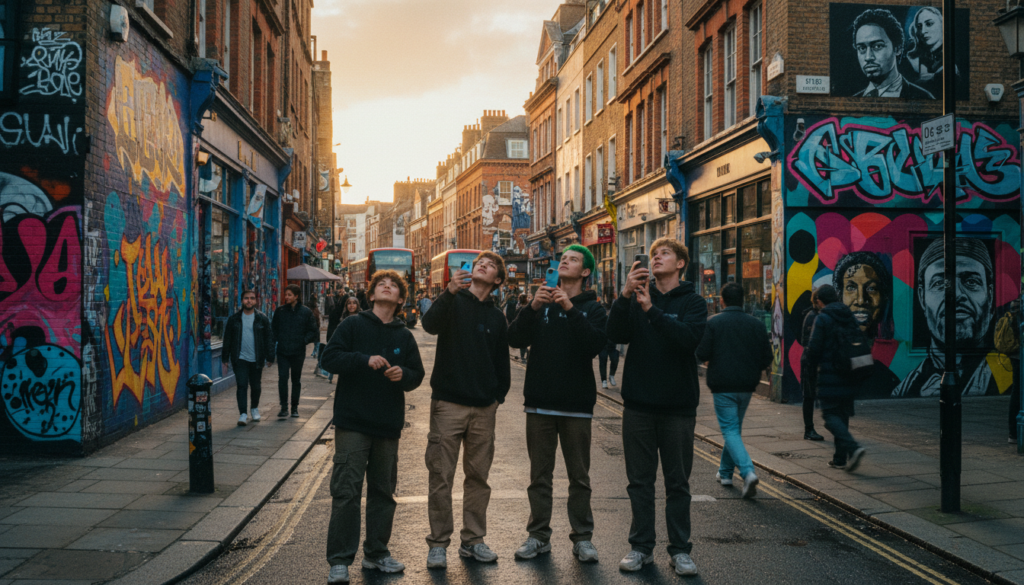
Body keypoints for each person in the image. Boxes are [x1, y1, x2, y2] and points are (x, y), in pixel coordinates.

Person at [606, 238, 706, 576]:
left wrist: (652, 310)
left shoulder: (694, 302)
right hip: (638, 406)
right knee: (640, 482)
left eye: (663, 253)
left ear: (680, 263)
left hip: (678, 407)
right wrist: (624, 296)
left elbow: (688, 339)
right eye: (652, 255)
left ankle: (680, 551)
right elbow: (614, 333)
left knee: (677, 483)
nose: (656, 257)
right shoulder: (635, 300)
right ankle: (640, 548)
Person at [321, 270, 426, 584]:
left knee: (383, 492)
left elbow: (416, 374)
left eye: (394, 285)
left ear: (400, 299)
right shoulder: (352, 324)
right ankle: (339, 560)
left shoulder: (404, 335)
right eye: (382, 283)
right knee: (346, 492)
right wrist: (362, 360)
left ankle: (377, 554)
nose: (387, 286)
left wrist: (402, 376)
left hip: (387, 425)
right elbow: (329, 358)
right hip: (352, 420)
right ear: (371, 294)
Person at [507, 245, 607, 563]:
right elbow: (514, 339)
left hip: (577, 404)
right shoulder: (542, 303)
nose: (565, 260)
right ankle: (538, 536)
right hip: (539, 403)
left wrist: (570, 309)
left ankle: (582, 538)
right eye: (563, 257)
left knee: (579, 477)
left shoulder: (594, 309)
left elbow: (593, 344)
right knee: (540, 476)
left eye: (574, 259)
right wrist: (533, 307)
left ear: (586, 272)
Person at [421, 251, 511, 569]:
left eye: (489, 265)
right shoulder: (453, 301)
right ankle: (438, 544)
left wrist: (496, 398)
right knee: (441, 476)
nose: (481, 266)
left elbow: (502, 363)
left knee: (478, 478)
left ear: (498, 280)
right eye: (478, 264)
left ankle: (473, 541)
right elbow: (429, 325)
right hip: (448, 404)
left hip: (483, 409)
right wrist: (448, 291)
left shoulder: (497, 316)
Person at [893, 238, 999, 397]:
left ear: (990, 297)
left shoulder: (1008, 379)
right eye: (939, 283)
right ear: (922, 297)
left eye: (971, 281)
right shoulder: (905, 389)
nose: (956, 295)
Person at [695, 283, 772, 499]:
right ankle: (726, 473)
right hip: (747, 385)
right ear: (744, 300)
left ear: (722, 300)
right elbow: (767, 357)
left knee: (730, 430)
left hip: (723, 385)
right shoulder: (755, 324)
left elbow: (701, 353)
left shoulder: (714, 323)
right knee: (733, 430)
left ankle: (748, 472)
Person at [802, 284, 867, 472]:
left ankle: (853, 449)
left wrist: (811, 372)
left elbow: (813, 350)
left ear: (820, 301)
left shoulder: (823, 318)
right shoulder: (848, 315)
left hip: (830, 376)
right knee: (842, 416)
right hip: (850, 375)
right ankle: (839, 459)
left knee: (830, 416)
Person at [850, 8, 934, 99]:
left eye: (878, 46)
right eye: (862, 48)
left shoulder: (924, 98)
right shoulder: (851, 102)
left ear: (897, 49)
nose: (868, 57)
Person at [222, 290, 274, 426]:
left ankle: (254, 408)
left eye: (251, 298)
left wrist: (270, 357)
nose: (249, 301)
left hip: (257, 359)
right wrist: (224, 359)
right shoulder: (234, 319)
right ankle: (243, 414)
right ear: (242, 300)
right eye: (246, 298)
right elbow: (227, 340)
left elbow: (269, 338)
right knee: (242, 385)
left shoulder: (262, 318)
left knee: (256, 386)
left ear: (256, 301)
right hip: (240, 359)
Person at [271, 284, 319, 418]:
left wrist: (303, 341)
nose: (286, 297)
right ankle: (284, 407)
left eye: (289, 295)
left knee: (296, 379)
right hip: (283, 351)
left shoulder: (305, 312)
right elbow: (273, 330)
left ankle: (294, 407)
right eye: (285, 295)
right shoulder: (280, 311)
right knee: (282, 378)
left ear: (296, 296)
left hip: (298, 351)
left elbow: (313, 330)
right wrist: (272, 348)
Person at [800, 289, 825, 441]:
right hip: (811, 361)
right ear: (817, 301)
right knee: (809, 396)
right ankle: (808, 430)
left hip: (819, 361)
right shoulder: (812, 316)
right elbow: (806, 342)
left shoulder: (820, 315)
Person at [326, 296, 361, 384]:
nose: (351, 306)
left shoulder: (362, 318)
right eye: (349, 303)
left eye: (354, 303)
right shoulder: (343, 318)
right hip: (345, 348)